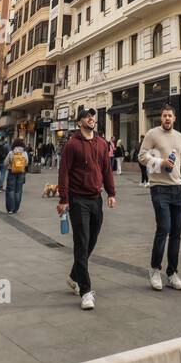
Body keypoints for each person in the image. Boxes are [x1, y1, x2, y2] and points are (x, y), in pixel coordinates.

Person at [57, 108, 116, 310]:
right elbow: (64, 172)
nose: (92, 119)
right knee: (81, 243)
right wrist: (63, 199)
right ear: (80, 121)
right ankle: (86, 291)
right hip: (77, 200)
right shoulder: (72, 145)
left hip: (96, 199)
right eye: (87, 117)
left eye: (93, 117)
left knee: (91, 241)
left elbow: (106, 170)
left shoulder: (101, 144)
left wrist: (111, 193)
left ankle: (74, 276)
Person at [138, 104, 181, 291]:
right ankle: (155, 270)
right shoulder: (152, 134)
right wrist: (160, 162)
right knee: (164, 228)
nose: (167, 119)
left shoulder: (179, 137)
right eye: (164, 116)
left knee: (176, 234)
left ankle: (172, 273)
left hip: (177, 189)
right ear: (160, 117)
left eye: (170, 116)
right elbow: (141, 156)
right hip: (159, 188)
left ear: (174, 118)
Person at [5, 135, 30, 214]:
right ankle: (16, 208)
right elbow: (26, 163)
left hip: (11, 172)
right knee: (18, 191)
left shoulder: (11, 152)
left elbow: (5, 163)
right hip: (21, 173)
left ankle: (10, 209)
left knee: (11, 190)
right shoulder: (24, 153)